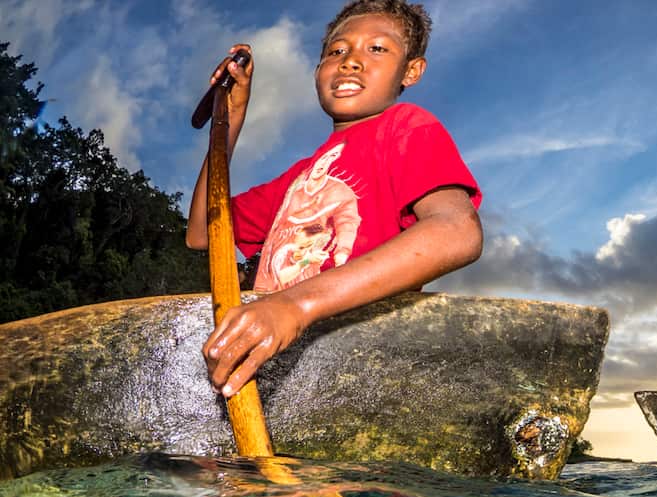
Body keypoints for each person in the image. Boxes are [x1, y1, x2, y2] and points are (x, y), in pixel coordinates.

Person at [186, 0, 483, 399]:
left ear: (411, 70)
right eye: (336, 51)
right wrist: (232, 116)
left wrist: (296, 306)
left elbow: (457, 231)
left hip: (357, 377)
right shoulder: (298, 178)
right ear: (318, 71)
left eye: (377, 48)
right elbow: (202, 233)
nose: (350, 61)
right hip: (277, 379)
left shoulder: (406, 128)